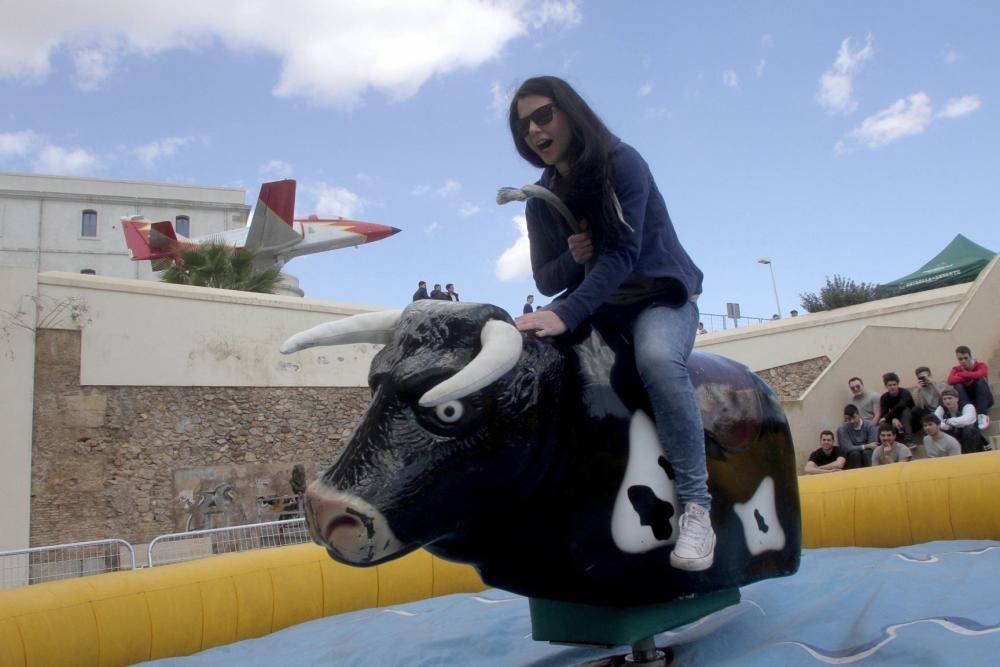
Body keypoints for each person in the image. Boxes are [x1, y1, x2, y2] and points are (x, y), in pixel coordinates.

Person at [508, 76, 712, 571]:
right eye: (523, 124)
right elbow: (546, 274)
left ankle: (699, 509)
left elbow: (623, 252)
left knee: (658, 361)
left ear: (570, 111)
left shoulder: (621, 162)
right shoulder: (540, 198)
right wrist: (574, 259)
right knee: (534, 363)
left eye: (543, 114)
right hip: (598, 302)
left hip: (659, 298)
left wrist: (564, 311)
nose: (534, 129)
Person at [947, 345, 994, 430]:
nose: (963, 361)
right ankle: (968, 412)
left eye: (966, 358)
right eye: (960, 359)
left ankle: (982, 415)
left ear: (970, 357)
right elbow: (950, 380)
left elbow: (980, 374)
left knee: (980, 380)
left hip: (985, 400)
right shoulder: (956, 369)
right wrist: (971, 376)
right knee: (958, 385)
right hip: (969, 402)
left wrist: (961, 374)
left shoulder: (981, 365)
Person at [936, 388, 987, 454]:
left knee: (968, 429)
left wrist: (948, 421)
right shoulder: (941, 408)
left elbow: (967, 420)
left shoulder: (967, 406)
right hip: (955, 435)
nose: (947, 401)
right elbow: (935, 420)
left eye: (950, 398)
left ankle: (968, 455)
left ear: (957, 399)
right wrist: (944, 425)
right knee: (939, 430)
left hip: (970, 437)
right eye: (944, 399)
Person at [836, 404, 879, 469]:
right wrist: (865, 446)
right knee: (855, 454)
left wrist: (855, 447)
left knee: (867, 453)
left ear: (858, 414)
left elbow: (873, 445)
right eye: (848, 419)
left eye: (854, 417)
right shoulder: (842, 429)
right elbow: (846, 448)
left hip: (867, 453)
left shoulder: (870, 425)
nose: (852, 421)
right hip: (852, 455)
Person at [876, 372, 914, 442]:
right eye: (890, 385)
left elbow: (901, 406)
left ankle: (909, 440)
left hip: (912, 418)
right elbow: (884, 413)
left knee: (905, 411)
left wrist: (888, 417)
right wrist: (893, 418)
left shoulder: (905, 393)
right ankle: (884, 444)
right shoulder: (884, 397)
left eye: (894, 384)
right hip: (896, 420)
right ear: (886, 386)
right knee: (882, 423)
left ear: (897, 385)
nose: (892, 387)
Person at [911, 366, 946, 435]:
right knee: (915, 409)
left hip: (942, 410)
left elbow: (945, 398)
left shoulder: (940, 385)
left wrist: (933, 385)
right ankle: (927, 427)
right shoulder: (917, 390)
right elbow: (920, 407)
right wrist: (919, 392)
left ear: (930, 376)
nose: (924, 380)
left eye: (925, 377)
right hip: (928, 413)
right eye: (921, 378)